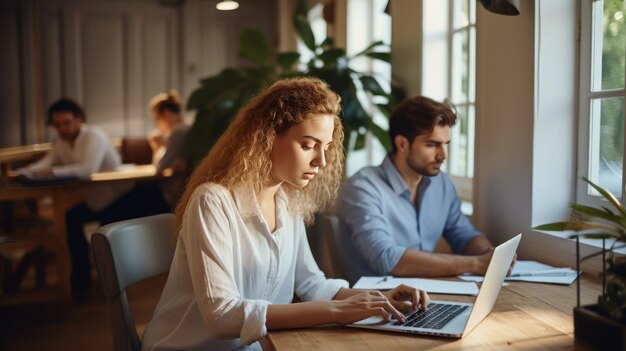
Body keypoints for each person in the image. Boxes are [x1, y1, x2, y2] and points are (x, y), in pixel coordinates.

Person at [141, 78, 430, 351]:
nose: (321, 160)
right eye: (307, 145)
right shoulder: (213, 201)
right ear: (266, 137)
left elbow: (311, 284)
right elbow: (222, 316)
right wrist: (336, 311)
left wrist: (380, 298)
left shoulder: (288, 201)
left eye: (326, 147)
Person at [336, 95, 513, 284]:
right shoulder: (362, 188)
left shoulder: (441, 184)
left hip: (427, 295)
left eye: (445, 144)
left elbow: (463, 235)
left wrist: (489, 255)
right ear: (402, 144)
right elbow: (385, 258)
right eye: (432, 145)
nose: (443, 155)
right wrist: (477, 264)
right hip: (374, 302)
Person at [19, 98, 169, 294]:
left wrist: (50, 172)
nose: (62, 129)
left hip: (122, 195)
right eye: (57, 125)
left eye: (66, 123)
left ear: (78, 119)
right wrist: (23, 172)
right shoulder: (62, 142)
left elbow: (86, 169)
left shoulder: (94, 136)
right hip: (98, 200)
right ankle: (81, 280)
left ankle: (114, 284)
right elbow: (47, 162)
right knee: (69, 219)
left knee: (103, 232)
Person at [147, 90, 190, 205]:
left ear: (166, 113)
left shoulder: (178, 132)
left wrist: (156, 148)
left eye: (157, 119)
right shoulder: (186, 129)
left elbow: (160, 167)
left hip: (174, 195)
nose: (157, 124)